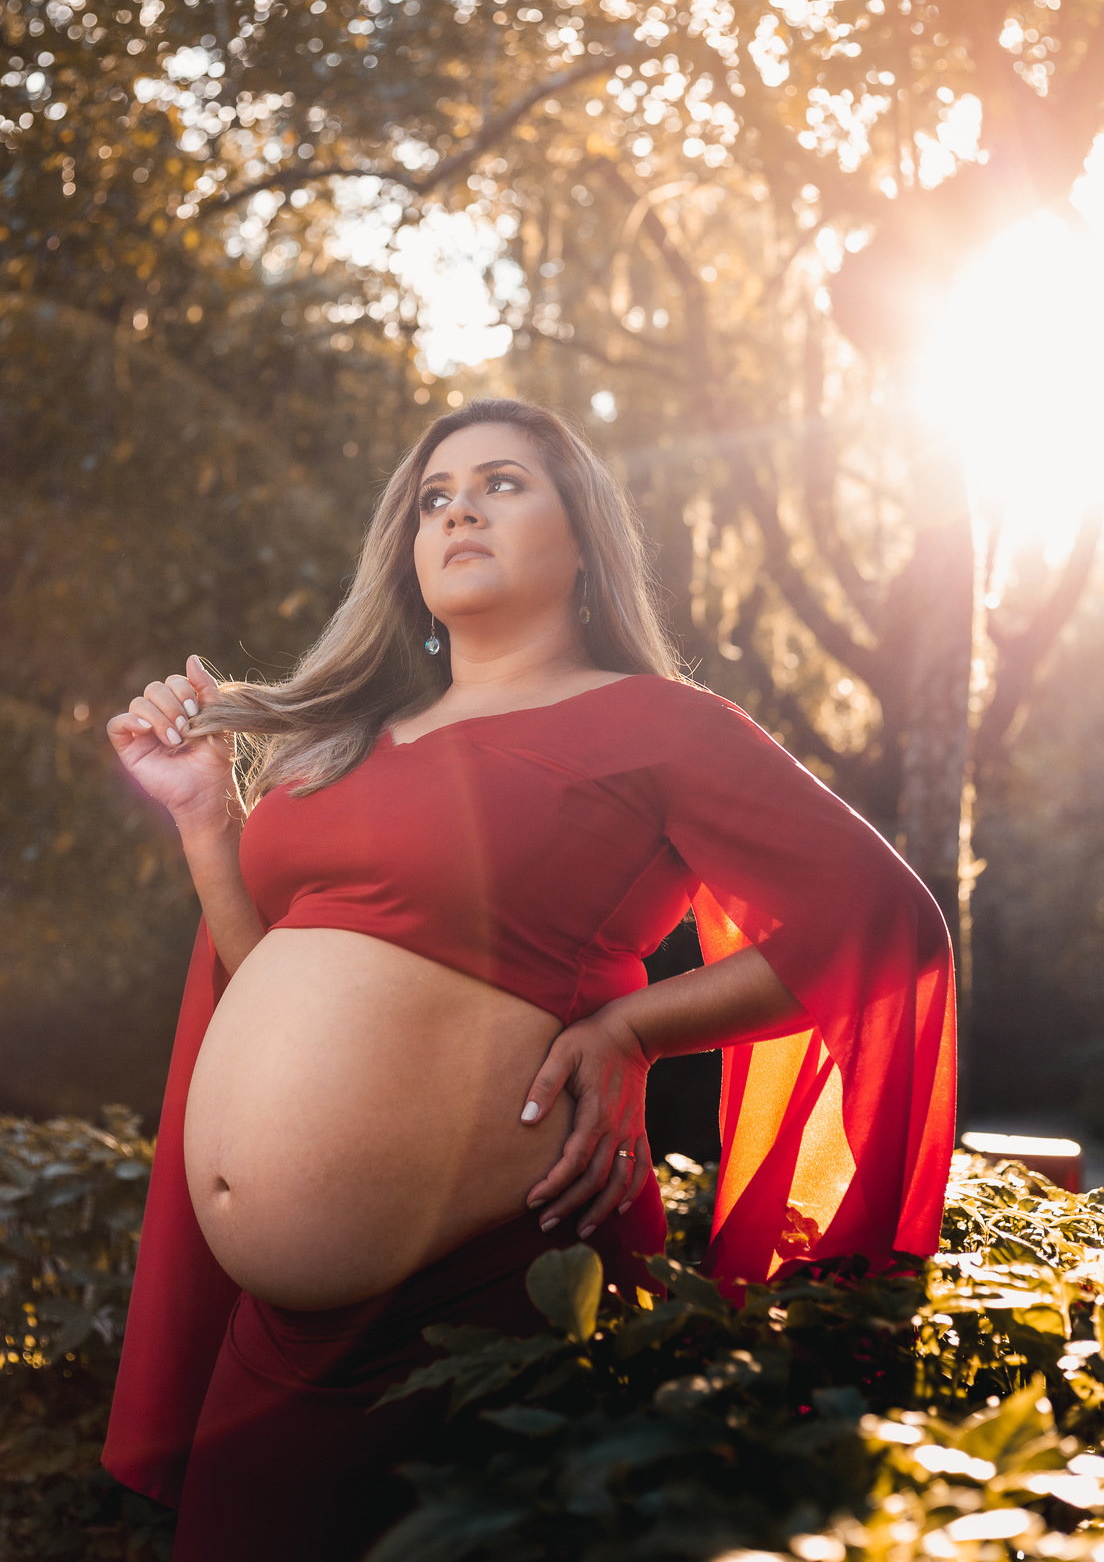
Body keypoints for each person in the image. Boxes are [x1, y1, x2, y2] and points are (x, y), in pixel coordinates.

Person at [102, 398, 955, 1562]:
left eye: (502, 483)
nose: (457, 508)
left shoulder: (660, 726)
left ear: (584, 541)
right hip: (275, 1343)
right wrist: (208, 821)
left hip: (497, 1297)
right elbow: (271, 983)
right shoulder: (342, 746)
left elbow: (883, 924)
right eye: (434, 497)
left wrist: (634, 1032)